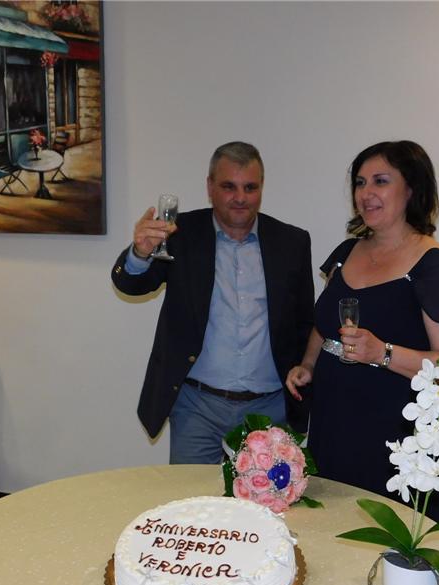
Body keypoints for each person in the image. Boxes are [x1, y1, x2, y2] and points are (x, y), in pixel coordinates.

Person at [285, 140, 439, 520]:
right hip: (333, 422)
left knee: (381, 538)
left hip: (393, 435)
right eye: (360, 182)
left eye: (380, 181)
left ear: (412, 189)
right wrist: (308, 365)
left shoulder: (433, 265)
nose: (366, 193)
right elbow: (325, 326)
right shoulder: (346, 253)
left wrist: (383, 353)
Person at [112, 141, 314, 463]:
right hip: (197, 407)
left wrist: (307, 373)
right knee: (190, 495)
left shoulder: (292, 242)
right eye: (228, 186)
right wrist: (139, 253)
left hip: (269, 409)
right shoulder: (179, 234)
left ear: (261, 187)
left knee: (266, 496)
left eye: (250, 187)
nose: (240, 197)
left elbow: (305, 322)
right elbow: (131, 284)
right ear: (210, 187)